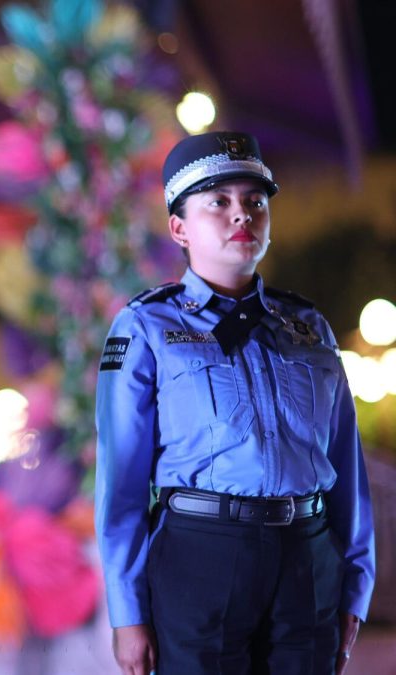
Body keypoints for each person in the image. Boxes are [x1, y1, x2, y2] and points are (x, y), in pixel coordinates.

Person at [95, 131, 376, 675]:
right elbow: (121, 482)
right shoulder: (147, 327)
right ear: (179, 228)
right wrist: (127, 612)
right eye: (218, 202)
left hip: (307, 557)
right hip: (202, 558)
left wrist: (353, 586)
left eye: (255, 201)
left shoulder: (308, 327)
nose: (241, 215)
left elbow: (348, 469)